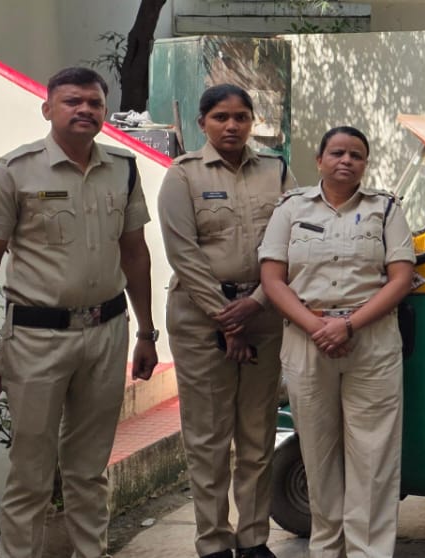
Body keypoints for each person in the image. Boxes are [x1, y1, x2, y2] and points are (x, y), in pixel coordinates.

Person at [0, 66, 159, 557]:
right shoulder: (15, 171)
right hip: (37, 338)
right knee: (31, 474)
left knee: (89, 471)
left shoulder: (123, 168)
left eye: (94, 103)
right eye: (72, 101)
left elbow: (135, 253)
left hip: (107, 332)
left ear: (104, 111)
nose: (85, 110)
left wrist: (147, 332)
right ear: (47, 108)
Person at [259, 126, 415, 557]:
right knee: (318, 453)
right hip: (307, 340)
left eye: (356, 155)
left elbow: (401, 278)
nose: (346, 161)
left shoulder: (386, 209)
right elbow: (272, 279)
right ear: (320, 160)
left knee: (373, 455)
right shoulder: (291, 208)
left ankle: (369, 552)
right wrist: (318, 328)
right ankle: (327, 549)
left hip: (371, 341)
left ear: (365, 164)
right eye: (338, 153)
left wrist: (347, 326)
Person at [159, 84, 296, 558]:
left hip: (264, 312)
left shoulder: (277, 171)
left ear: (252, 121)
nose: (232, 125)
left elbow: (295, 239)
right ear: (203, 123)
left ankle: (254, 538)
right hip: (200, 321)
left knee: (258, 433)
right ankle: (213, 541)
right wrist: (226, 320)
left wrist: (256, 303)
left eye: (241, 116)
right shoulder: (182, 176)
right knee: (208, 437)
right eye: (221, 117)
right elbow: (183, 254)